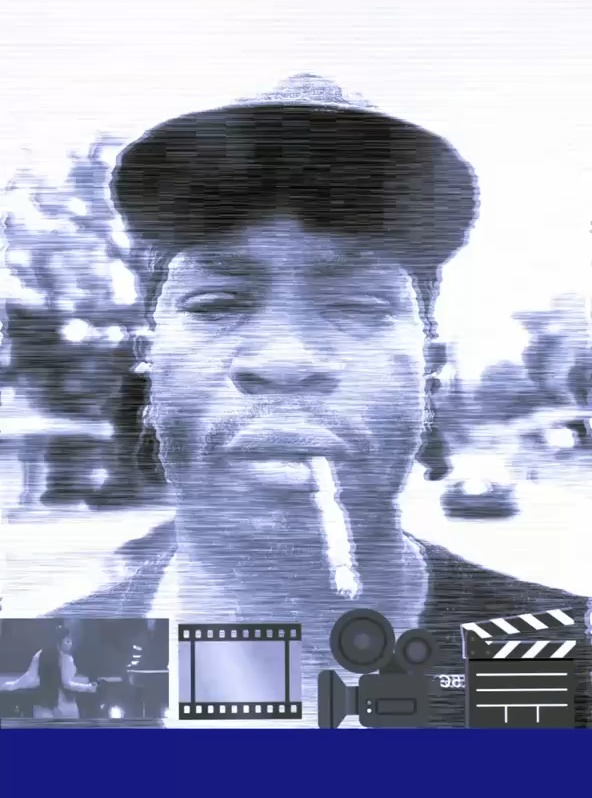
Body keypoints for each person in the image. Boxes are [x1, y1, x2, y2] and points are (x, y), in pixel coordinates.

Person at [46, 74, 591, 726]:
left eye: (357, 305)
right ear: (151, 362)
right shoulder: (41, 684)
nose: (285, 360)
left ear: (430, 371)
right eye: (216, 304)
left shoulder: (559, 672)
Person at [0, 625, 97, 720]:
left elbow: (30, 678)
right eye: (67, 641)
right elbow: (66, 683)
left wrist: (12, 685)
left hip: (44, 704)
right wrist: (88, 687)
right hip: (62, 705)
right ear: (59, 642)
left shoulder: (41, 654)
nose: (70, 644)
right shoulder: (64, 659)